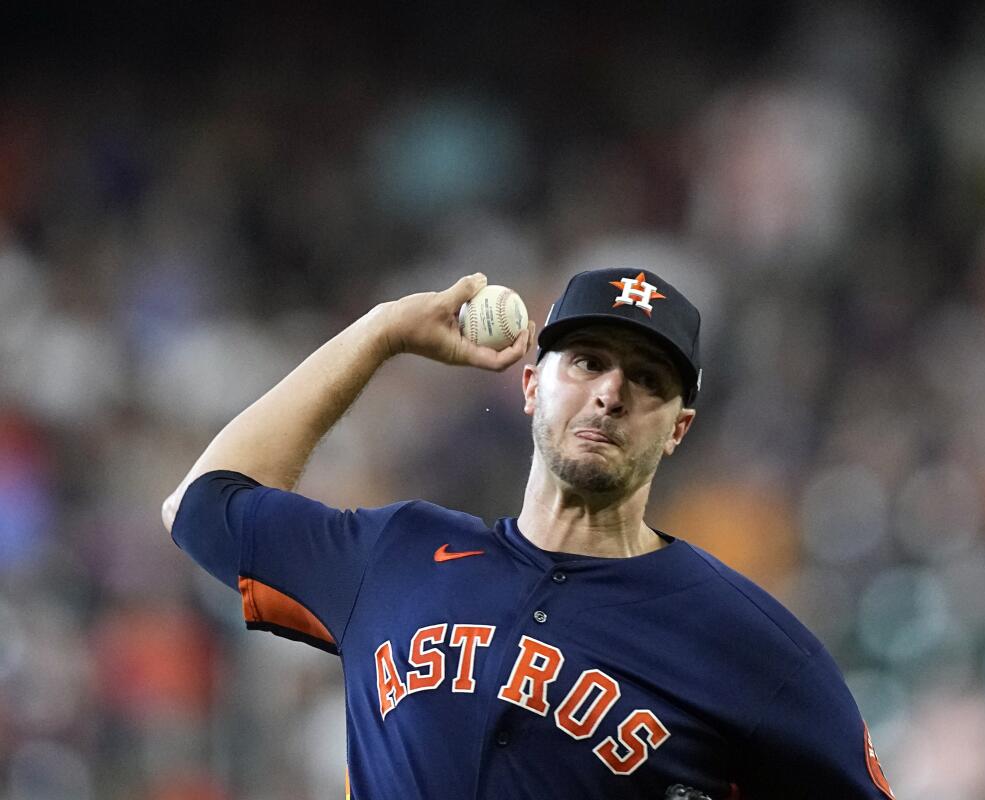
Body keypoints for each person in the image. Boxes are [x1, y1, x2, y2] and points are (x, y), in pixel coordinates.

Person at [163, 268, 896, 800]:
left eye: (646, 378)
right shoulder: (396, 556)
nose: (611, 392)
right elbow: (202, 506)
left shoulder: (755, 647)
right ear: (530, 385)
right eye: (585, 362)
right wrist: (379, 332)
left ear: (678, 429)